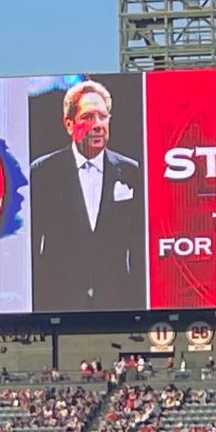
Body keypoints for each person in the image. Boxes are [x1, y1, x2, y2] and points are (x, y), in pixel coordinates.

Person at [29, 80, 144, 312]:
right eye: (88, 117)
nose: (98, 125)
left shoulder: (132, 171)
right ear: (69, 124)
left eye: (103, 116)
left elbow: (140, 244)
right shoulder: (42, 172)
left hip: (120, 306)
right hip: (59, 305)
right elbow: (32, 244)